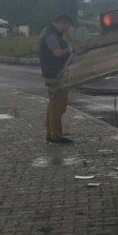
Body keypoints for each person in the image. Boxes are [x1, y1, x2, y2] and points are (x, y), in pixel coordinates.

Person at [38, 14, 74, 144]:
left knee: (52, 105)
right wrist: (70, 49)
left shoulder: (47, 33)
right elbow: (57, 53)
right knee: (58, 107)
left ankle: (50, 133)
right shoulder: (51, 36)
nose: (66, 30)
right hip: (56, 75)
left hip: (50, 74)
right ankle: (56, 136)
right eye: (66, 27)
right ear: (62, 23)